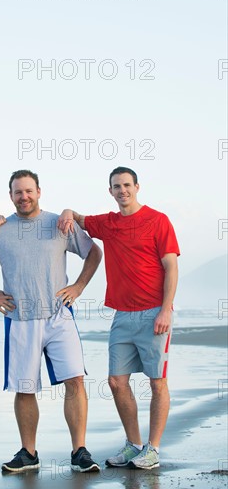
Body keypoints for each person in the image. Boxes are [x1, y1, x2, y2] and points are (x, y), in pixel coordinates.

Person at [0, 169, 103, 473]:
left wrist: (78, 287)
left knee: (75, 380)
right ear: (10, 195)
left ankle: (79, 451)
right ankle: (28, 453)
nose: (23, 196)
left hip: (59, 316)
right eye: (17, 192)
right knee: (24, 388)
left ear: (39, 191)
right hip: (20, 318)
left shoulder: (59, 224)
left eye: (28, 191)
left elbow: (94, 253)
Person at [58, 166, 180, 470]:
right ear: (110, 191)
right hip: (122, 315)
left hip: (154, 313)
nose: (122, 190)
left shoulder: (158, 220)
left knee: (157, 382)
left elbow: (171, 267)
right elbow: (79, 218)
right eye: (116, 186)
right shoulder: (108, 224)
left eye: (127, 185)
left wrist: (166, 309)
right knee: (116, 381)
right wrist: (66, 210)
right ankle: (133, 444)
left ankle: (153, 449)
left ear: (137, 187)